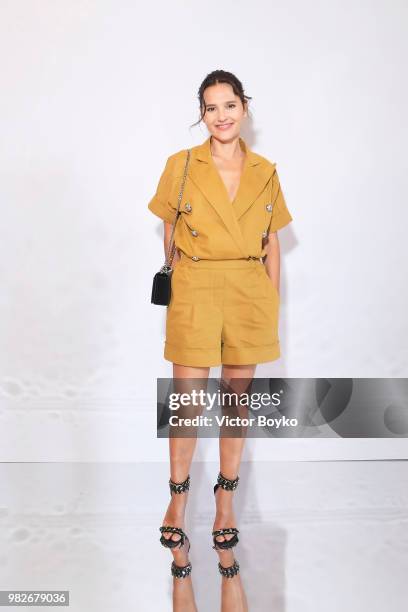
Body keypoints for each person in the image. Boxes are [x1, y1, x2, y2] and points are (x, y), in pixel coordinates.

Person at [148, 69, 293, 612]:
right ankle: (177, 502)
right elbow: (168, 227)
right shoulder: (180, 165)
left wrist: (269, 299)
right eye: (211, 107)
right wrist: (184, 273)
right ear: (202, 114)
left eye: (229, 104)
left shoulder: (266, 172)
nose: (222, 115)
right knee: (187, 403)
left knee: (236, 401)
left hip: (249, 289)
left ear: (245, 106)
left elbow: (272, 241)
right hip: (198, 287)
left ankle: (226, 502)